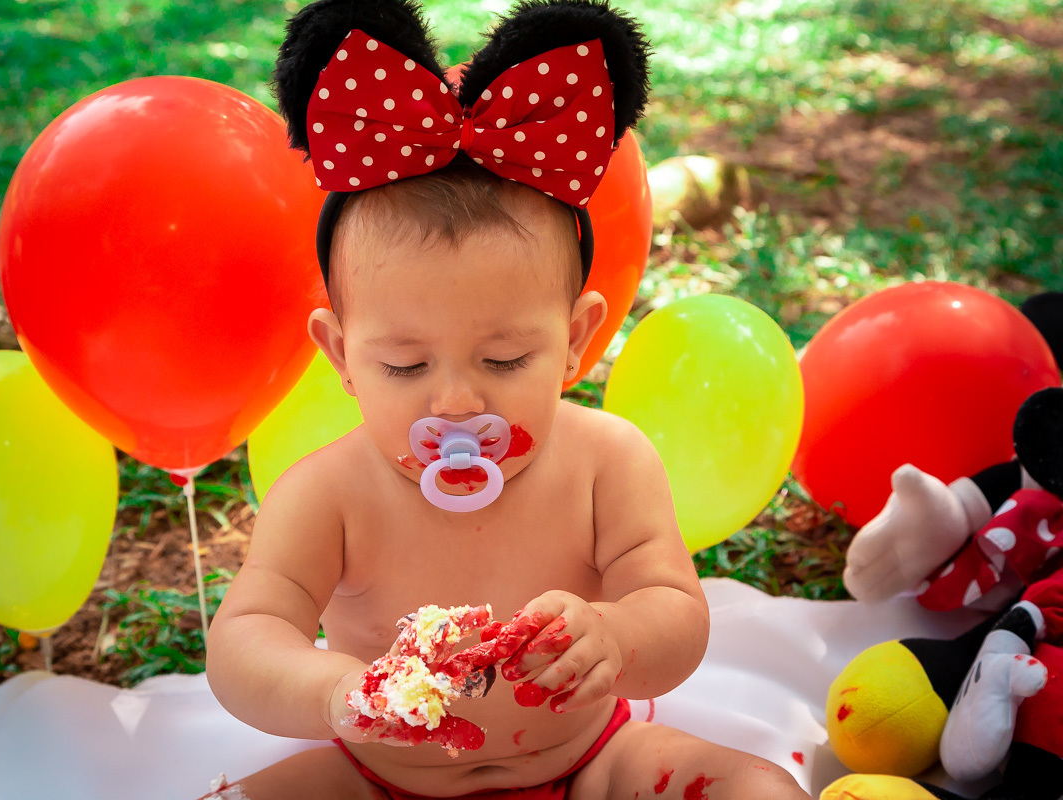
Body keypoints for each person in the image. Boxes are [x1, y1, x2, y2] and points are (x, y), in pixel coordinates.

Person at [203, 1, 811, 797]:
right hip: (379, 776)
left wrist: (616, 637)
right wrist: (332, 692)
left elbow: (676, 612)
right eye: (404, 366)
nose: (454, 401)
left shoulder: (605, 462)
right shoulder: (328, 494)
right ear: (341, 356)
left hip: (590, 762)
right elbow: (245, 639)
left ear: (574, 342)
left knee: (755, 788)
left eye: (504, 357)